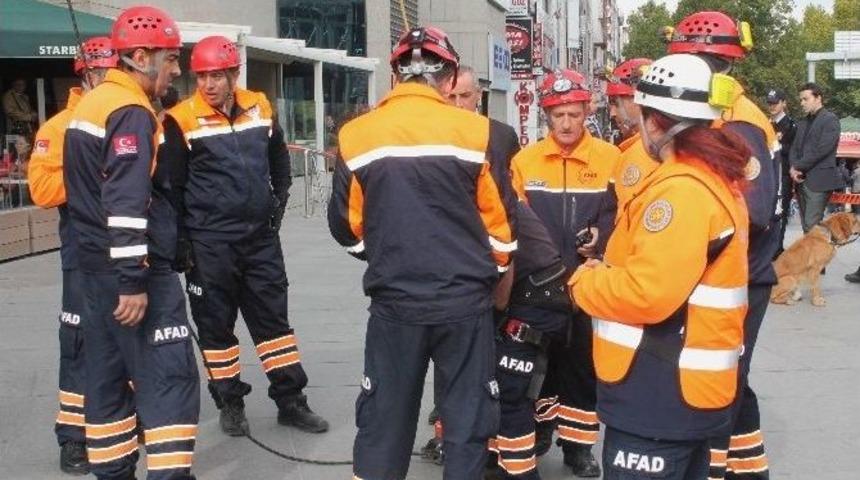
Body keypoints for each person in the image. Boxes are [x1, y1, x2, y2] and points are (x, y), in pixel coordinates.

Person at [328, 26, 517, 480]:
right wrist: (489, 272)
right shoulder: (477, 133)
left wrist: (386, 257)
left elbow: (346, 228)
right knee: (467, 425)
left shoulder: (357, 136)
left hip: (395, 306)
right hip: (464, 307)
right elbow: (502, 233)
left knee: (383, 425)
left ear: (396, 76)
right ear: (450, 79)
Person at [570, 53, 751, 480]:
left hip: (659, 391)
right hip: (685, 392)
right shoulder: (714, 180)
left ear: (654, 122)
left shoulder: (682, 192)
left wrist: (585, 281)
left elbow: (646, 294)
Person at [162, 35, 328, 436]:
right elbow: (173, 187)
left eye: (217, 75)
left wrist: (279, 202)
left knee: (275, 326)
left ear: (234, 74)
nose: (209, 84)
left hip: (259, 241)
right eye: (202, 76)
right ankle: (230, 402)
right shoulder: (179, 119)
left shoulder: (261, 106)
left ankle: (290, 401)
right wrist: (183, 244)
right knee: (217, 329)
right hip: (210, 244)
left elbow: (277, 160)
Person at [63, 6, 200, 479]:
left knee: (106, 384)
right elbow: (124, 203)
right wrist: (133, 281)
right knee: (168, 382)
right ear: (141, 57)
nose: (177, 69)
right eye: (171, 58)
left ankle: (114, 471)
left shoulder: (90, 105)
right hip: (134, 280)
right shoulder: (131, 112)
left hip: (92, 275)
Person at [668, 12, 780, 479]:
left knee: (721, 381)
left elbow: (752, 211)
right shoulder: (717, 113)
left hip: (739, 277)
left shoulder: (740, 122)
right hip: (726, 275)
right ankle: (743, 467)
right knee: (723, 378)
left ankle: (725, 469)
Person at [513, 68, 621, 478]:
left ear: (586, 112)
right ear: (546, 114)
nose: (565, 123)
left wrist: (602, 236)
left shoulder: (610, 160)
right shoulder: (524, 161)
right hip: (536, 287)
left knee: (582, 369)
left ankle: (578, 446)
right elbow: (512, 219)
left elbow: (623, 217)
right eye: (557, 115)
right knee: (537, 367)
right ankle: (538, 431)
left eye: (573, 114)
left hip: (587, 285)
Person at [28, 35, 118, 476]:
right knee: (80, 342)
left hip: (130, 251)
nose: (106, 81)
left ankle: (121, 421)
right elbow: (42, 190)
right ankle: (75, 436)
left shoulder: (134, 116)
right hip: (82, 252)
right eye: (99, 73)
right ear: (85, 75)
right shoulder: (60, 127)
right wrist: (89, 170)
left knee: (128, 338)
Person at [416, 64, 519, 429]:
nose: (458, 103)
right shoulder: (428, 136)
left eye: (465, 96)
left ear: (480, 97)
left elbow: (511, 204)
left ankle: (485, 417)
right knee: (446, 348)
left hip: (492, 256)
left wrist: (506, 266)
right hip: (446, 260)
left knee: (488, 346)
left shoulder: (501, 136)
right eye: (452, 96)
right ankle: (445, 418)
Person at [790, 82, 844, 233]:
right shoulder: (802, 122)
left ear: (818, 98)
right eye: (801, 100)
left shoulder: (830, 119)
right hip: (801, 180)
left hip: (819, 180)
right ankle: (813, 255)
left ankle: (817, 255)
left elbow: (823, 150)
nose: (802, 103)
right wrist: (793, 168)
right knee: (807, 227)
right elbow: (794, 148)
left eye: (805, 99)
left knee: (811, 225)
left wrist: (798, 166)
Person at [605, 58, 656, 218]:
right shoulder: (636, 149)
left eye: (616, 103)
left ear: (638, 101)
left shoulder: (643, 153)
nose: (613, 113)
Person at [766, 88, 797, 258]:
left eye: (775, 103)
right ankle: (768, 246)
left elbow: (793, 150)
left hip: (783, 173)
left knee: (781, 211)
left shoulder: (790, 125)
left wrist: (775, 147)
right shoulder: (766, 123)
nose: (772, 106)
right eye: (770, 103)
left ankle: (777, 248)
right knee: (768, 211)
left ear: (784, 103)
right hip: (768, 173)